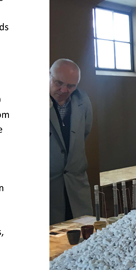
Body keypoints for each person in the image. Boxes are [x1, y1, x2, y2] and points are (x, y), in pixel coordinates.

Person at [50, 59, 93, 224]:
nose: (64, 90)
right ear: (48, 75)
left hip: (76, 185)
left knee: (83, 233)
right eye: (58, 83)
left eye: (71, 86)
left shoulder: (83, 101)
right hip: (49, 188)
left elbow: (83, 134)